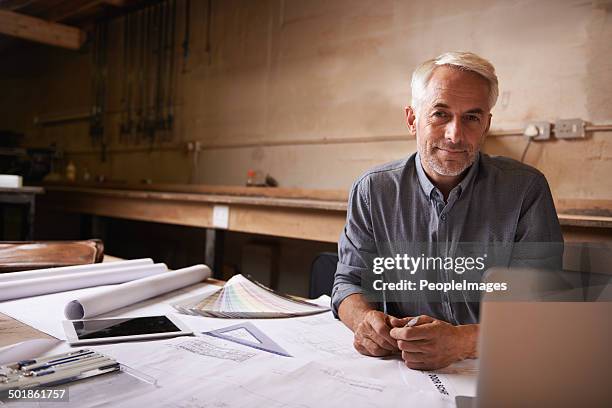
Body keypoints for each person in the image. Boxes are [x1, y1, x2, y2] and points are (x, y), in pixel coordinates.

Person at [332, 51, 563, 370]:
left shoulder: (525, 190)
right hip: (398, 369)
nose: (455, 135)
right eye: (440, 114)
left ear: (486, 125)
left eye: (471, 117)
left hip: (494, 363)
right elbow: (349, 282)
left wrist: (463, 342)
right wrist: (363, 321)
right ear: (412, 119)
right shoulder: (373, 190)